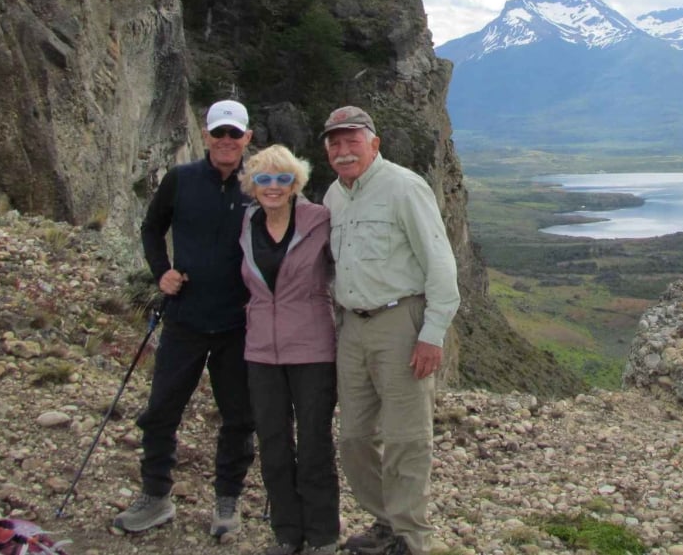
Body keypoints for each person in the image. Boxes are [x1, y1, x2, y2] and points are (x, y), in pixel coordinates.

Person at [320, 106, 461, 555]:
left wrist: (432, 333)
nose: (344, 151)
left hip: (401, 321)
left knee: (406, 437)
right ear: (327, 151)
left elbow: (440, 262)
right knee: (354, 437)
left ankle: (410, 537)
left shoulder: (404, 187)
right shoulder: (333, 197)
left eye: (353, 141)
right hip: (352, 327)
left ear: (374, 144)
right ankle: (386, 521)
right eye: (335, 143)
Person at [113, 99, 257, 538]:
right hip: (185, 317)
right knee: (161, 410)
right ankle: (156, 495)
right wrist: (162, 272)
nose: (227, 141)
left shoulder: (260, 183)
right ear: (206, 135)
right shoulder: (181, 179)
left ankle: (227, 502)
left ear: (247, 138)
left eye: (235, 134)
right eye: (219, 133)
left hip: (239, 324)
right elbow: (151, 228)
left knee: (239, 417)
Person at [237, 145, 339, 555]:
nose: (273, 186)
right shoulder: (246, 224)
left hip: (313, 349)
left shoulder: (319, 220)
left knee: (314, 445)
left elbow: (349, 267)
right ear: (252, 185)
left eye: (283, 178)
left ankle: (322, 535)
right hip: (261, 350)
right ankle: (286, 532)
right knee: (274, 445)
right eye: (264, 179)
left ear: (296, 183)